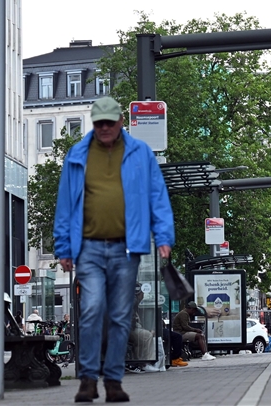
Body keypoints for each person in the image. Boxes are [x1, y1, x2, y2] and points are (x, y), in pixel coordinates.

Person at [54, 96, 175, 403]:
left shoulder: (140, 153)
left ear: (122, 121)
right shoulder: (77, 155)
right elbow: (65, 205)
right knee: (92, 311)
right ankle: (88, 379)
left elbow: (157, 196)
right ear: (93, 123)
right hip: (89, 250)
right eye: (99, 123)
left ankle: (114, 380)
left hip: (126, 248)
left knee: (121, 317)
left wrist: (163, 237)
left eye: (110, 122)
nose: (105, 128)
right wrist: (63, 248)